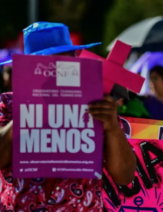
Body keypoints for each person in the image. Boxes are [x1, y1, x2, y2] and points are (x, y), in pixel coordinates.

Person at [0, 22, 136, 212]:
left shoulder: (95, 105)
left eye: (66, 62)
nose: (58, 72)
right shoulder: (6, 105)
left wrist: (113, 129)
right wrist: (27, 114)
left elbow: (126, 176)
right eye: (49, 65)